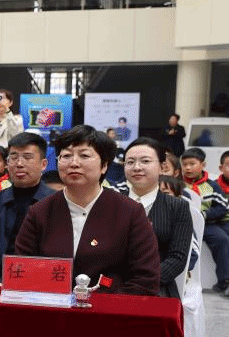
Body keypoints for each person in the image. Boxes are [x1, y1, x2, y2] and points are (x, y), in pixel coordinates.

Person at [15, 125, 160, 295]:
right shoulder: (39, 212)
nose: (74, 163)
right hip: (51, 306)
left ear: (104, 165)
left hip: (112, 307)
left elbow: (145, 279)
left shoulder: (130, 212)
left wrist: (103, 306)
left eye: (84, 155)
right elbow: (22, 270)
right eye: (66, 156)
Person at [0, 132, 57, 285]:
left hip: (41, 285)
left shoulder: (56, 204)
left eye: (27, 158)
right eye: (14, 158)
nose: (19, 164)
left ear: (43, 164)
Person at [123, 137, 194, 299]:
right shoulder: (112, 203)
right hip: (115, 285)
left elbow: (177, 258)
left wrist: (143, 282)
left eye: (145, 161)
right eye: (130, 162)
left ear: (162, 167)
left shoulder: (177, 206)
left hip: (158, 285)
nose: (137, 167)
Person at [180, 148, 229, 294]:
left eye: (192, 164)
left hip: (206, 225)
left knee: (222, 239)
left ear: (203, 165)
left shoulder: (211, 186)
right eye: (184, 164)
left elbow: (222, 208)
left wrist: (203, 215)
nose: (188, 168)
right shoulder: (178, 184)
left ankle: (224, 281)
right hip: (182, 224)